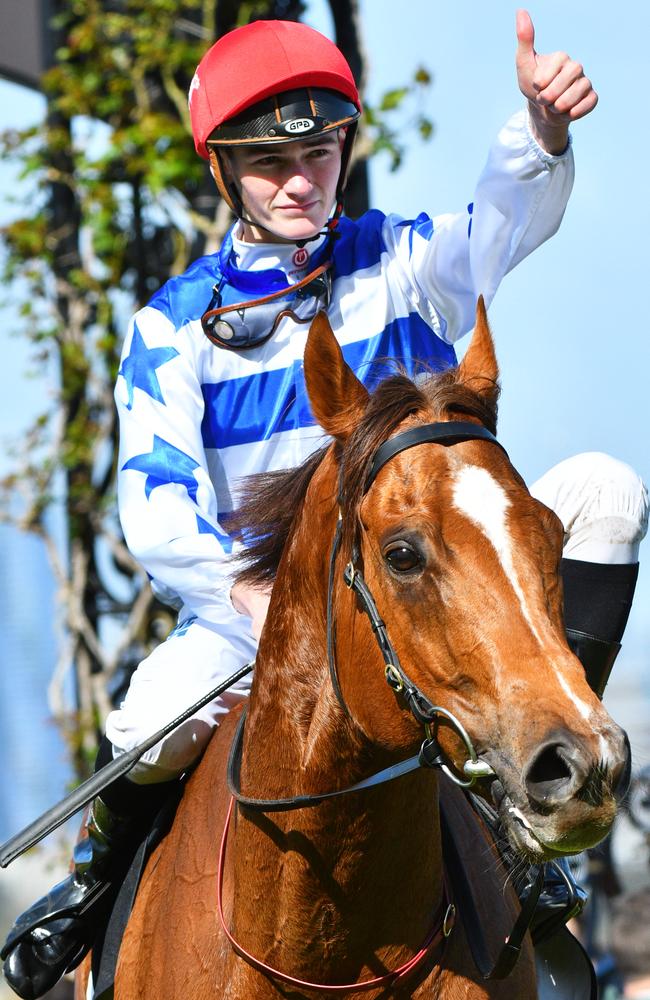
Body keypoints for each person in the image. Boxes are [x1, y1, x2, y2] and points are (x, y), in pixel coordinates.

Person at [2, 11, 647, 999]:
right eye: (270, 162)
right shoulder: (172, 326)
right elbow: (154, 514)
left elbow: (498, 223)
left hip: (423, 587)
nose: (301, 179)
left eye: (318, 150)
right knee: (143, 717)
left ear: (345, 145)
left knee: (604, 490)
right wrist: (260, 615)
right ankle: (84, 903)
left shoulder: (402, 259)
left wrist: (539, 133)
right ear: (223, 172)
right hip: (259, 617)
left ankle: (526, 813)